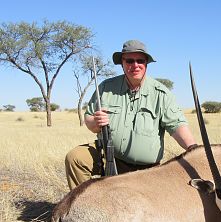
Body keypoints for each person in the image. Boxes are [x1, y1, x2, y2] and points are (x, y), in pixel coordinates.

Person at [65, 40, 196, 190]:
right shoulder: (105, 87)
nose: (135, 65)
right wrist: (95, 122)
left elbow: (177, 125)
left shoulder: (162, 93)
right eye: (129, 61)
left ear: (146, 63)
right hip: (108, 156)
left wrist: (193, 148)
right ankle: (84, 206)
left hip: (147, 169)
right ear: (122, 63)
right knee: (75, 158)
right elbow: (88, 119)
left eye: (140, 60)